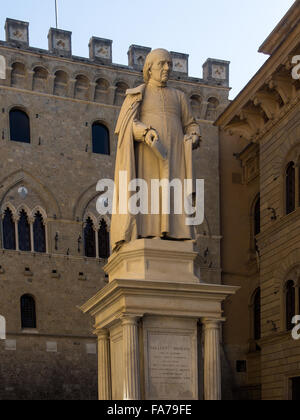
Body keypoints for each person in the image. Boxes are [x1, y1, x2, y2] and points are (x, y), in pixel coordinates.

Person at [110, 48, 201, 252]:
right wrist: (145, 132)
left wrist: (194, 136)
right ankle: (146, 232)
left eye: (169, 63)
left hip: (176, 155)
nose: (167, 68)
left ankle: (177, 235)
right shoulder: (137, 95)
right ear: (149, 68)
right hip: (148, 155)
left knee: (174, 193)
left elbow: (191, 124)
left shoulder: (179, 97)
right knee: (149, 193)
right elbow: (127, 126)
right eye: (162, 63)